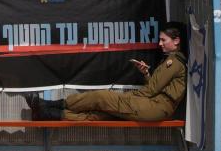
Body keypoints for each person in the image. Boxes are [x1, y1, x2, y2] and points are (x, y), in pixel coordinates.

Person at [26, 22, 187, 121]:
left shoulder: (174, 62)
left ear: (176, 41)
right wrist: (146, 74)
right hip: (154, 106)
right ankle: (49, 114)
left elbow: (151, 90)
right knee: (99, 115)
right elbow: (155, 87)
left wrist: (128, 97)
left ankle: (51, 104)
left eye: (163, 40)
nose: (160, 43)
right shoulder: (170, 60)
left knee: (101, 96)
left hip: (155, 108)